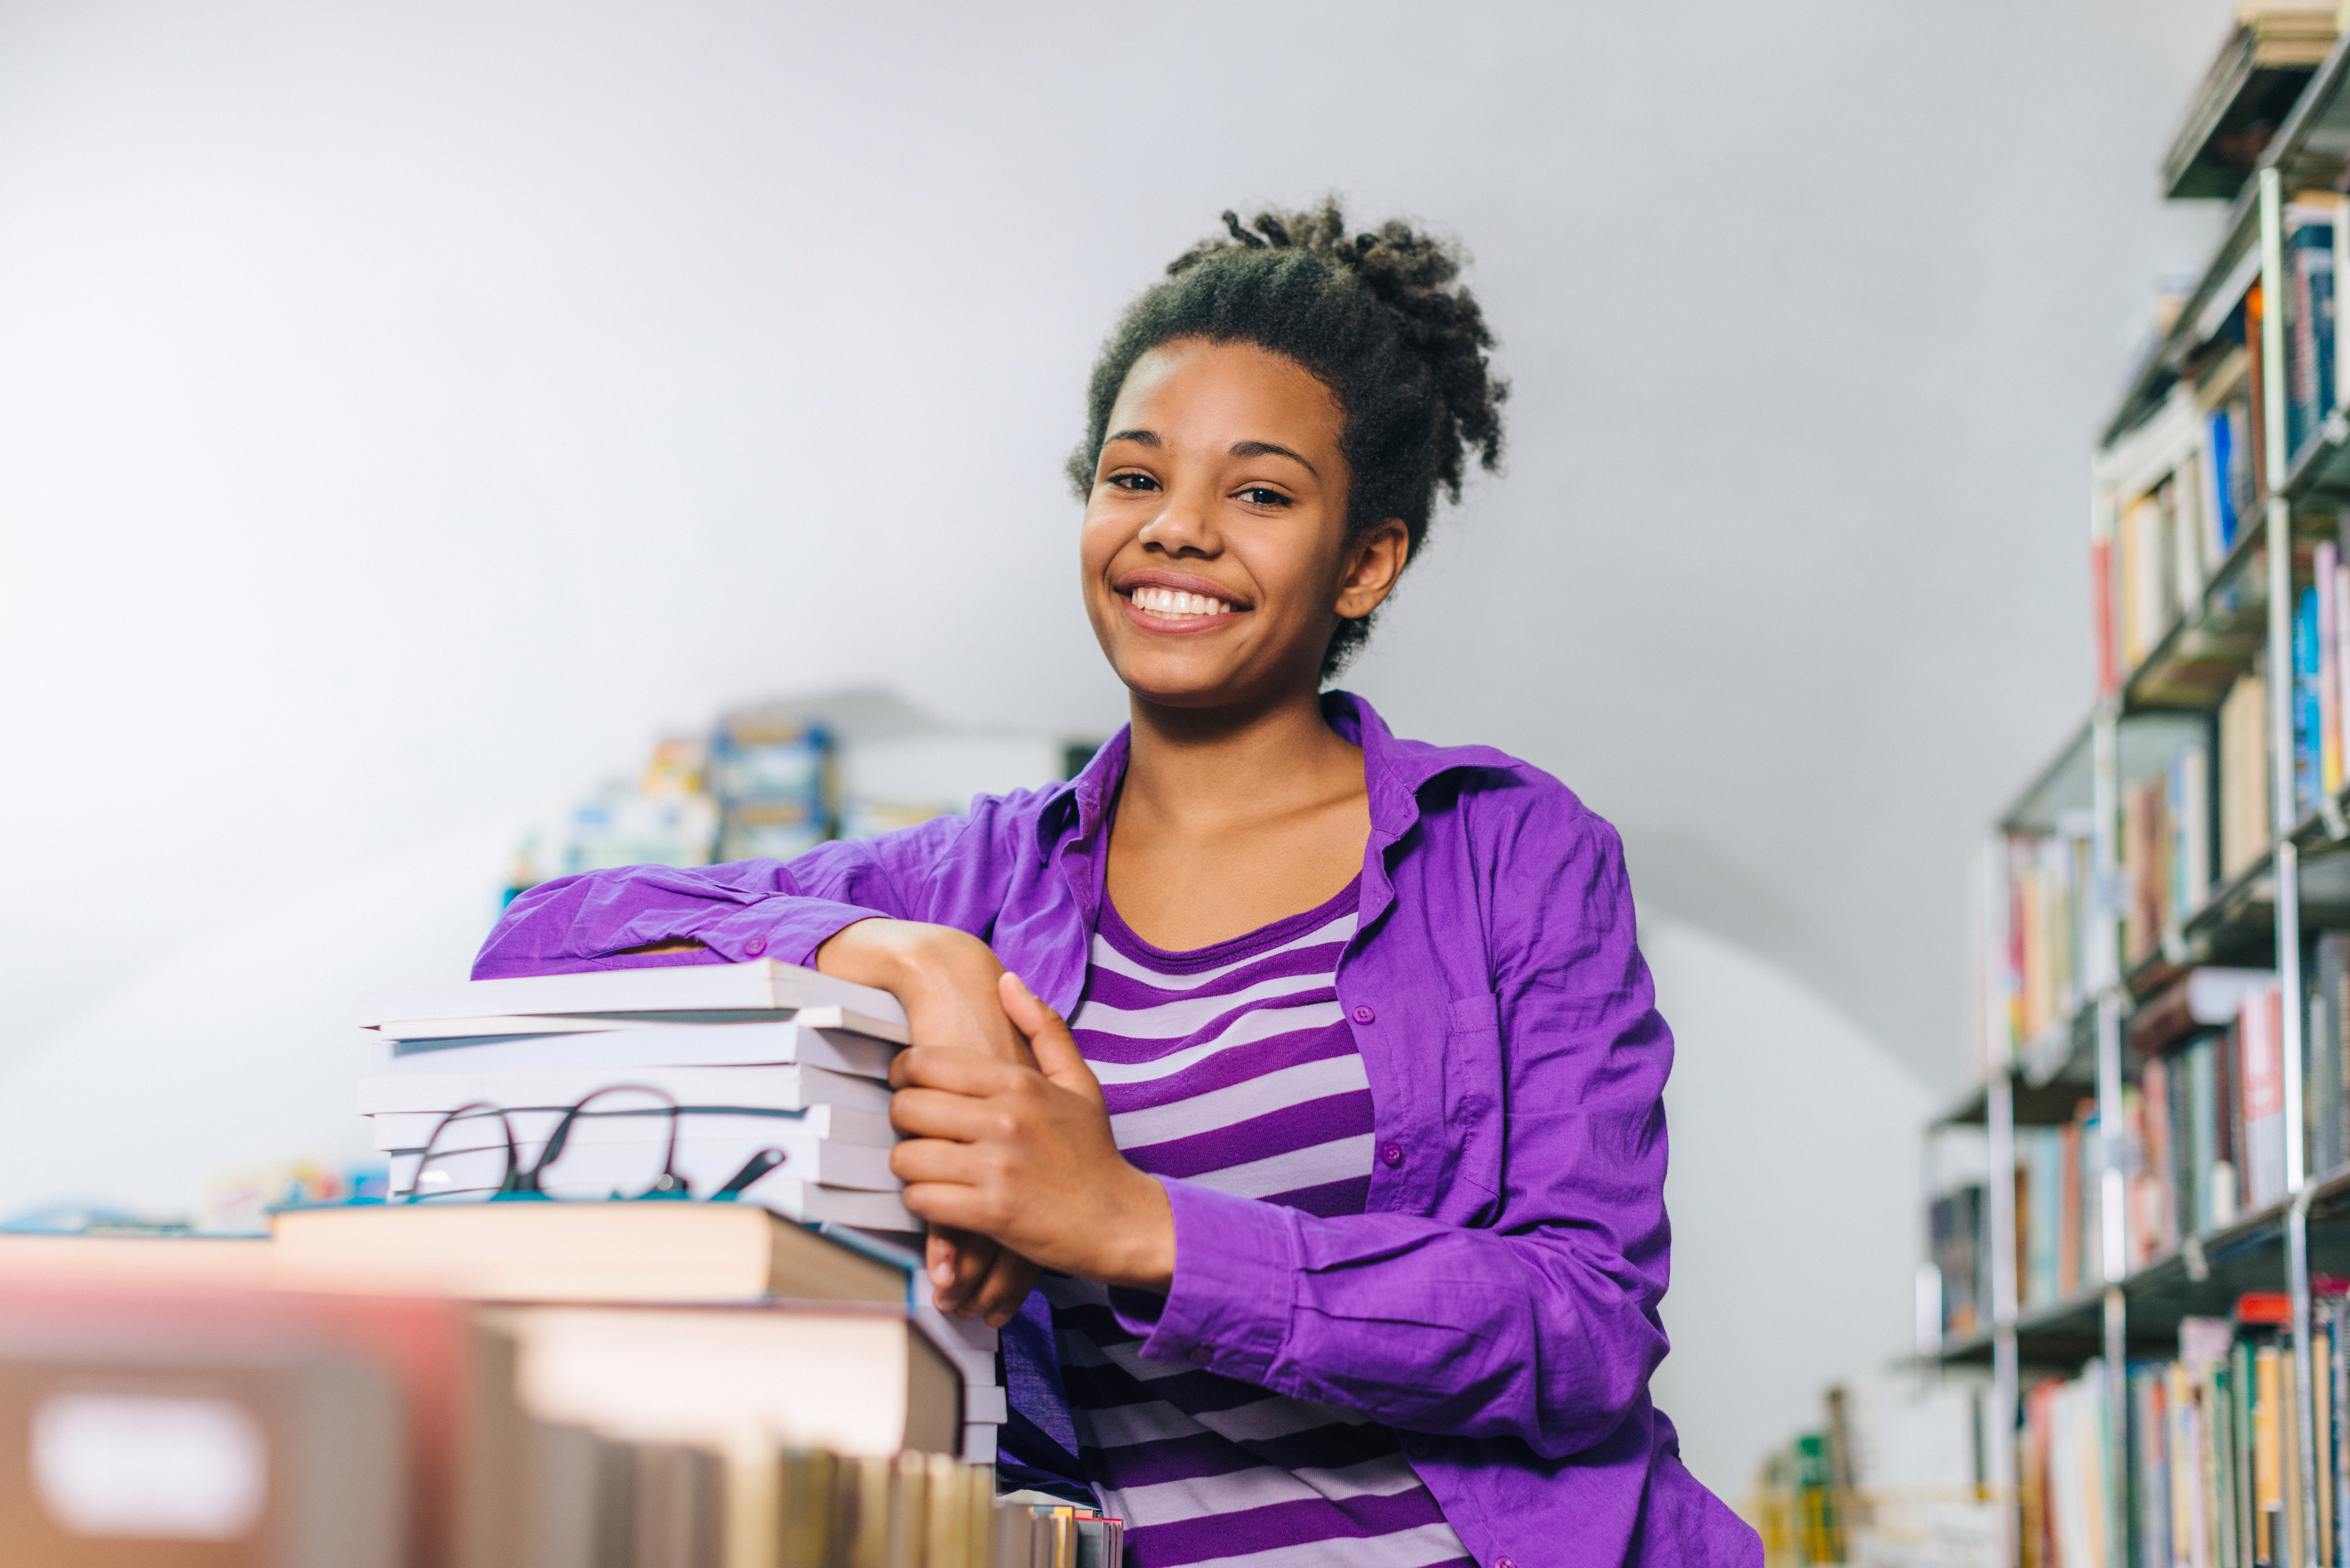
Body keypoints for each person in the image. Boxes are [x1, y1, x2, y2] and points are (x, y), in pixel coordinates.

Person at [475, 200, 1761, 1568]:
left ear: (1367, 560)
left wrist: (1132, 1222)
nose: (1180, 530)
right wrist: (912, 963)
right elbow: (536, 945)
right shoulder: (966, 881)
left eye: (1259, 493)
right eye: (1135, 477)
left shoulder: (1511, 849)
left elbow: (1581, 1329)